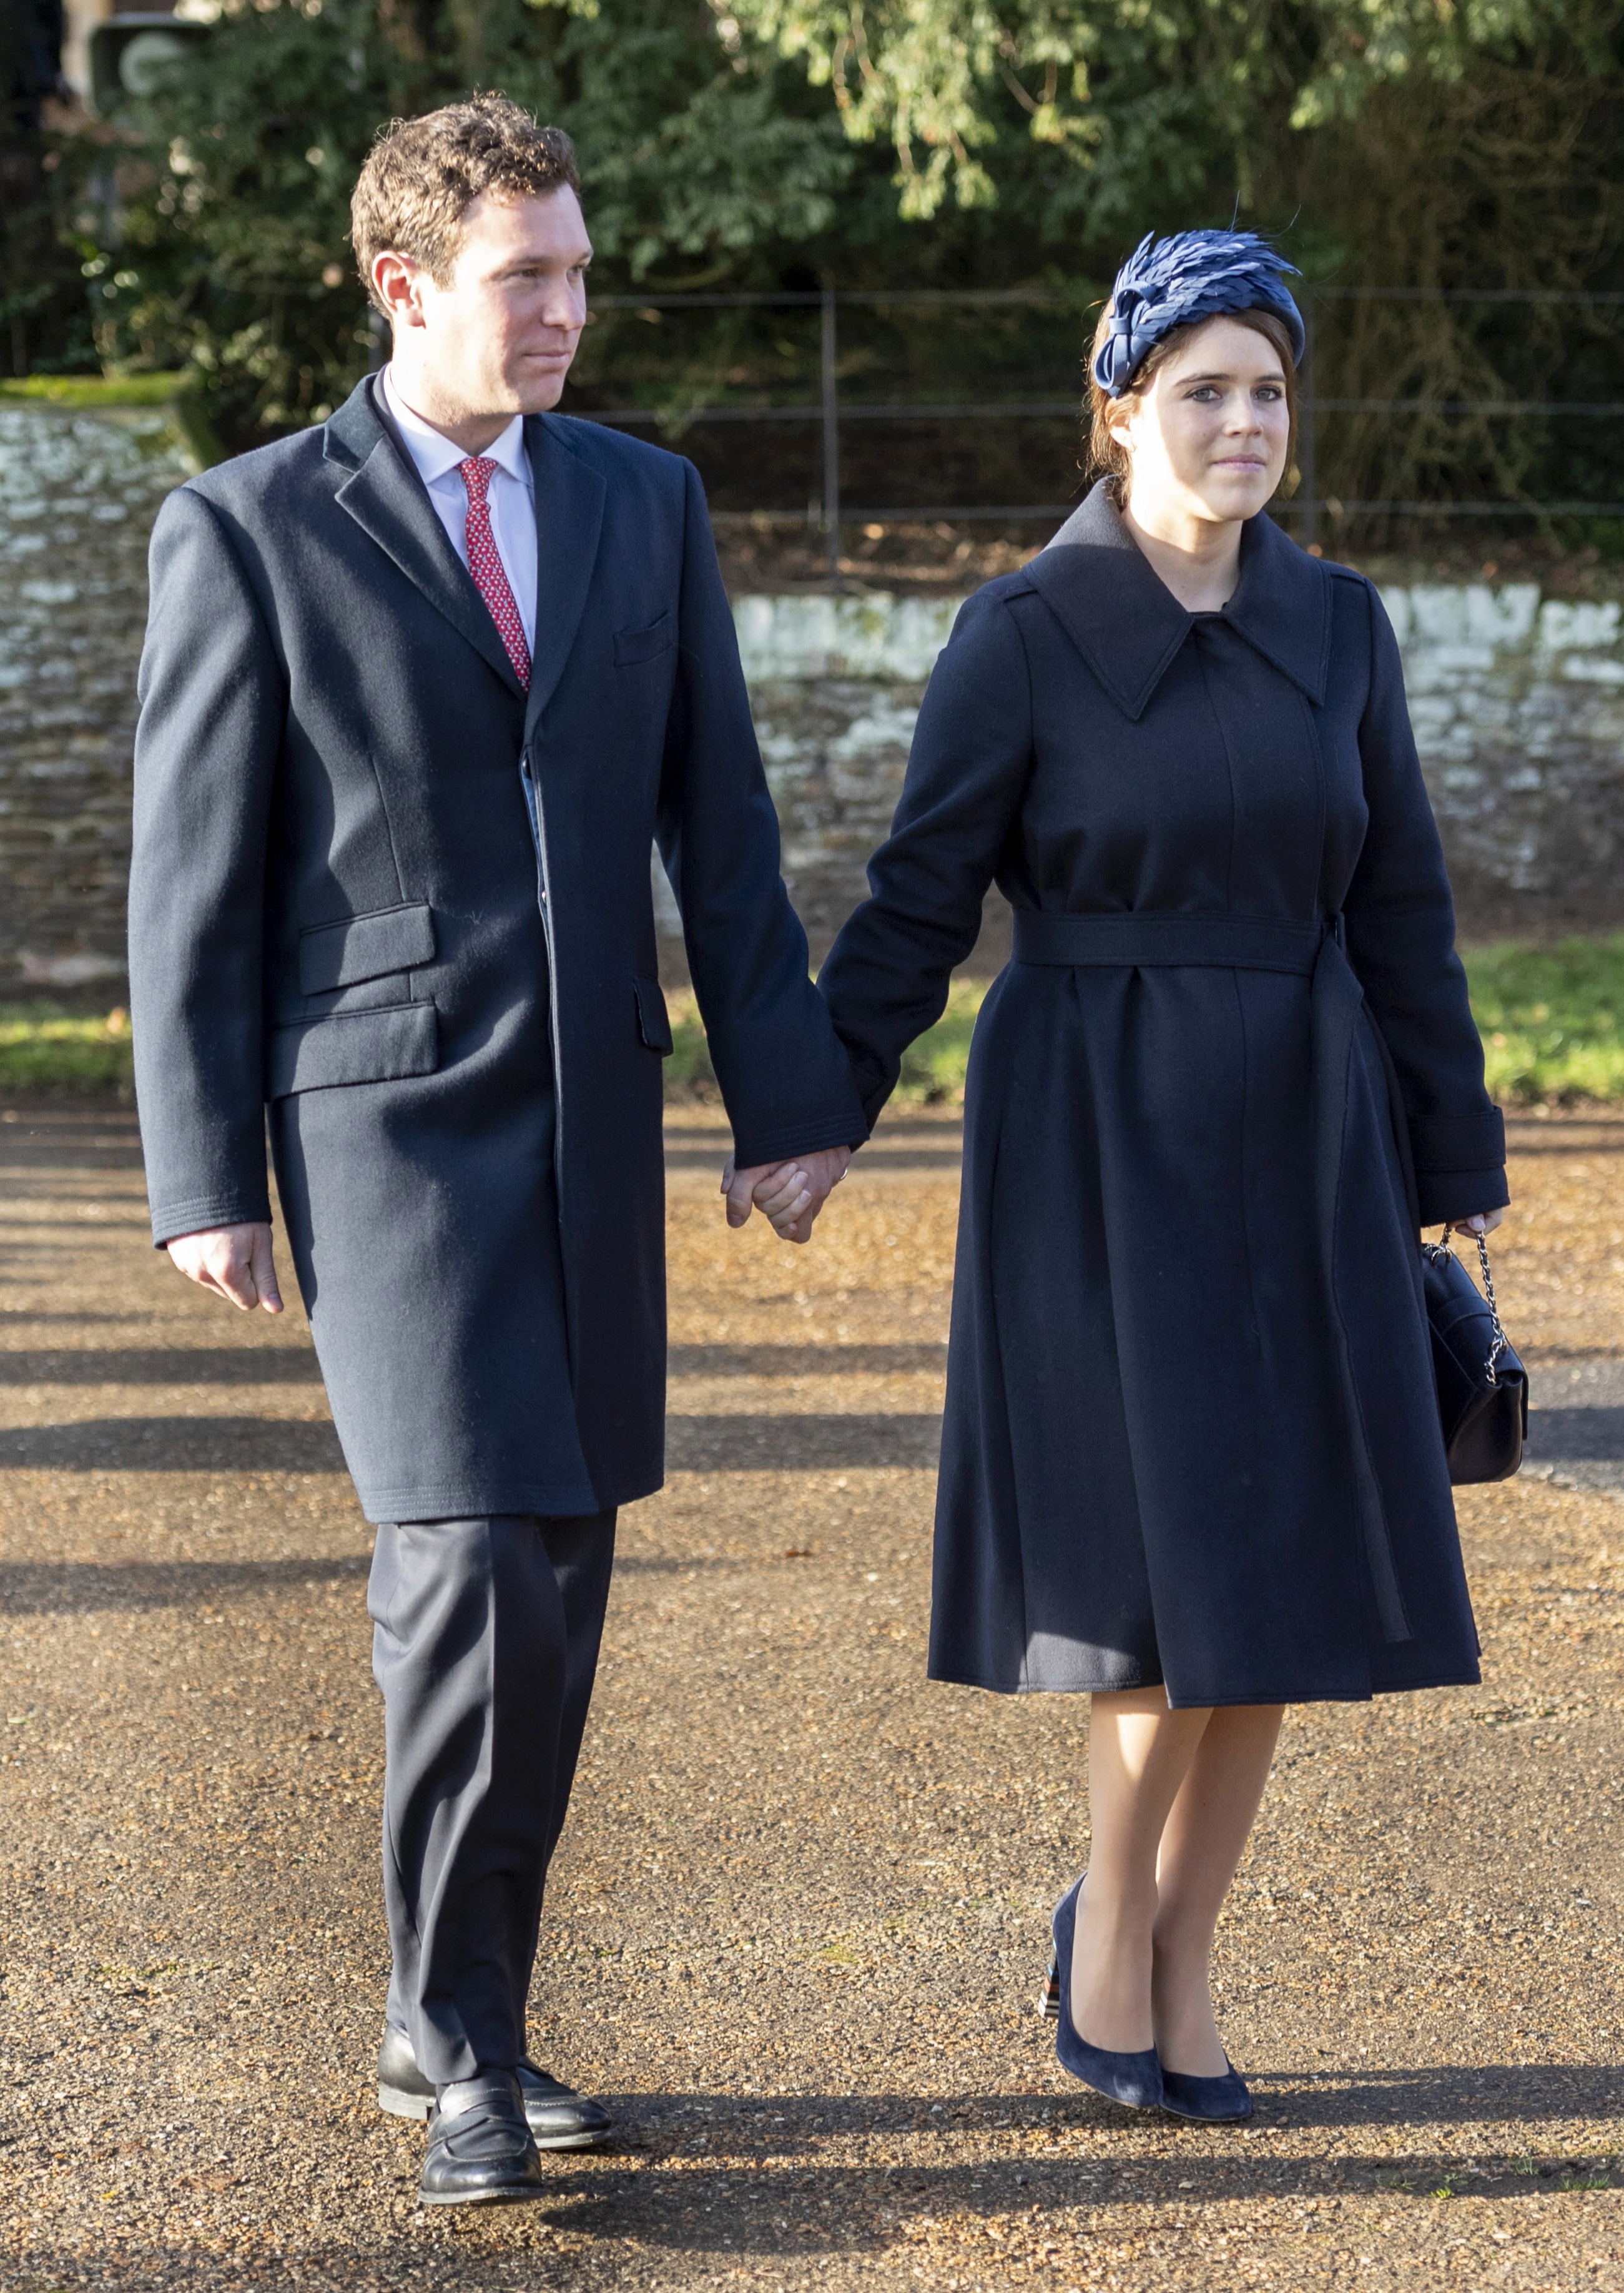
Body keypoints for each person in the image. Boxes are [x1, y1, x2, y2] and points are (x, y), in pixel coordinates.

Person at [128, 96, 861, 2206]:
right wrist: (202, 1172)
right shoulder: (249, 524)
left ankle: (459, 2018)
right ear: (404, 286)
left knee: (554, 1571)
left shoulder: (643, 499)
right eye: (524, 275)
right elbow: (192, 876)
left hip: (592, 1109)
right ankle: (459, 2047)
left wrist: (788, 1103)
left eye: (577, 271)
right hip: (378, 1123)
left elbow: (721, 823)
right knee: (461, 1564)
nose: (565, 309)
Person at [817, 230, 1508, 2123]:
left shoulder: (1341, 625)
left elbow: (1403, 908)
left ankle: (1186, 1954)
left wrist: (1449, 1152)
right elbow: (916, 900)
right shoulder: (1022, 633)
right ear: (1117, 410)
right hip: (1096, 1139)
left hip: (1312, 1128)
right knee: (1144, 1572)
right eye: (1203, 390)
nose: (1245, 423)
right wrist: (818, 1106)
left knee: (1274, 1567)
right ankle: (1109, 1924)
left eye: (1269, 391)